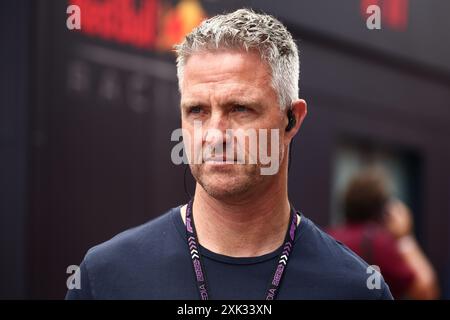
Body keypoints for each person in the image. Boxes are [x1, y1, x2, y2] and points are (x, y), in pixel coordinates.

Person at [66, 9, 393, 299]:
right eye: (197, 110)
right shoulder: (107, 277)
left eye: (240, 108)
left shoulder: (354, 289)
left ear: (292, 119)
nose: (214, 134)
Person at [327, 169, 439, 299]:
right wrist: (405, 238)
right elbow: (425, 290)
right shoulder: (378, 243)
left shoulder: (328, 237)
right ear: (384, 209)